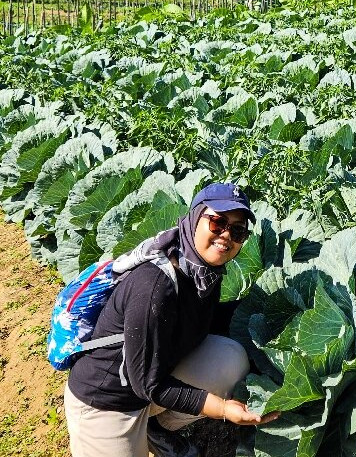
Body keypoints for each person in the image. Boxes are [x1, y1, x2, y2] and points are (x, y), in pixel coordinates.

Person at [64, 182, 279, 457]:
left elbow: (205, 320)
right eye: (217, 223)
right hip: (108, 401)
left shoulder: (202, 272)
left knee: (230, 358)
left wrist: (267, 311)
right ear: (195, 218)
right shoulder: (155, 285)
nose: (226, 235)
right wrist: (223, 409)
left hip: (150, 380)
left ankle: (155, 427)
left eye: (237, 231)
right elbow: (148, 384)